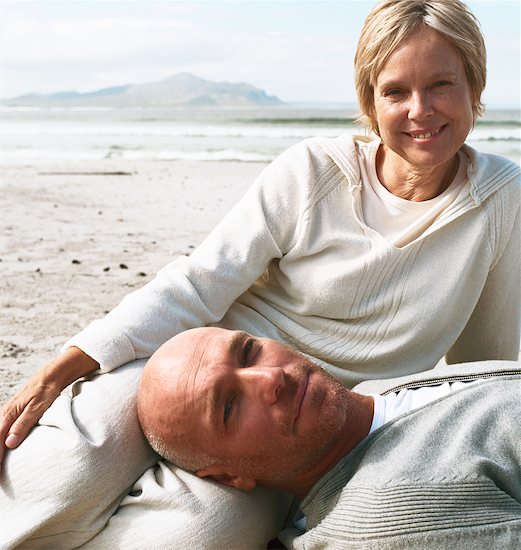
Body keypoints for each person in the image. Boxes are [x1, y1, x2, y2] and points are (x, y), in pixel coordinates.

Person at [1, 0, 520, 546]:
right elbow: (199, 282)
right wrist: (65, 365)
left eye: (442, 84)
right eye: (395, 91)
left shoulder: (502, 196)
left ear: (475, 89)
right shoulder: (315, 171)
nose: (421, 109)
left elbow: (484, 362)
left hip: (310, 433)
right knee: (74, 462)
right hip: (206, 370)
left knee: (205, 533)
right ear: (370, 100)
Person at [138, 327, 521, 548]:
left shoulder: (374, 393)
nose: (271, 378)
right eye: (228, 407)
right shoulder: (392, 518)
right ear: (228, 478)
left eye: (249, 352)